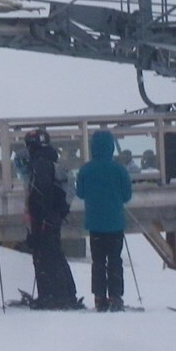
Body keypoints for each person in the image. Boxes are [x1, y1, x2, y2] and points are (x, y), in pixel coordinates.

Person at [76, 129, 133, 311]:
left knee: (98, 262)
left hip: (95, 224)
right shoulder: (119, 169)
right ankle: (115, 297)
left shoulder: (86, 169)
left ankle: (99, 297)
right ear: (111, 147)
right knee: (115, 260)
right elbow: (127, 195)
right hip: (115, 223)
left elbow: (80, 193)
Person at [23, 127, 80, 309]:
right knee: (55, 253)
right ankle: (66, 293)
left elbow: (42, 191)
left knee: (43, 254)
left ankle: (49, 295)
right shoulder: (51, 160)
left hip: (44, 216)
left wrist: (40, 216)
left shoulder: (40, 163)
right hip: (54, 215)